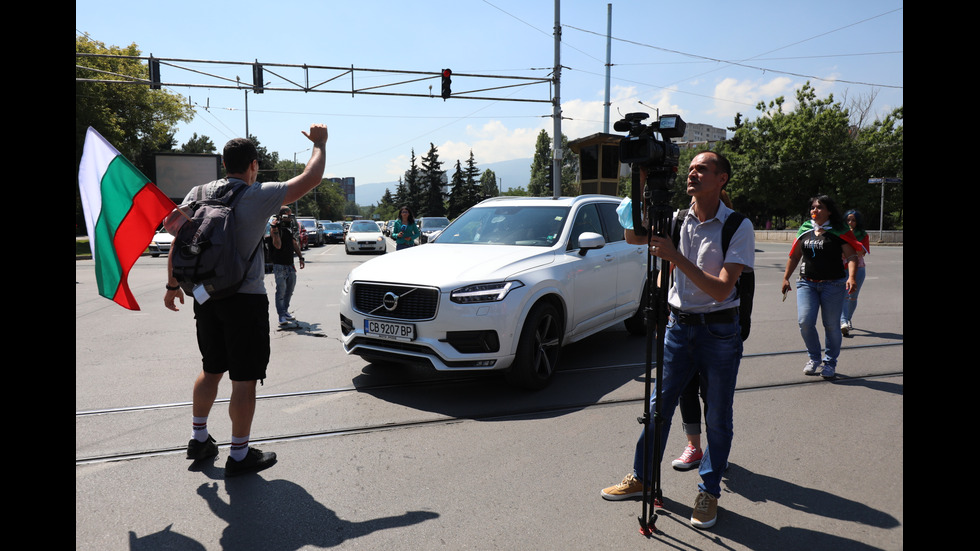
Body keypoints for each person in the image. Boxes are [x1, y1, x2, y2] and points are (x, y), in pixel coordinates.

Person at [164, 124, 329, 477]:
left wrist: (172, 284)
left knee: (211, 370)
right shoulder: (258, 195)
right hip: (244, 301)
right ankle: (239, 456)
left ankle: (199, 438)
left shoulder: (199, 192)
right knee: (243, 380)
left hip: (205, 298)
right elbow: (311, 177)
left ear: (224, 164)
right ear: (253, 165)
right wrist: (319, 144)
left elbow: (178, 236)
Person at [601, 151, 754, 530]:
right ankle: (642, 477)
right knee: (658, 406)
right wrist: (638, 179)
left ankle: (709, 490)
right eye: (690, 169)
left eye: (702, 169)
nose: (692, 174)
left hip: (719, 330)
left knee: (717, 416)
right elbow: (633, 234)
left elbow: (721, 289)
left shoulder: (738, 225)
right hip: (677, 327)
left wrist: (674, 256)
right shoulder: (676, 218)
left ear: (722, 179)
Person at [781, 195, 859, 379]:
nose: (814, 211)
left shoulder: (839, 231)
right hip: (806, 283)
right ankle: (814, 358)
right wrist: (786, 278)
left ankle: (830, 362)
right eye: (812, 208)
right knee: (805, 322)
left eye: (819, 207)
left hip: (833, 284)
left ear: (829, 211)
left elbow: (851, 257)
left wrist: (852, 277)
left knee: (831, 325)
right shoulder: (805, 229)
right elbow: (794, 256)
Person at [268, 206, 305, 326]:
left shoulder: (289, 228)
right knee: (281, 291)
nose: (291, 217)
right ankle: (281, 315)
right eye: (288, 215)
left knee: (290, 289)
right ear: (282, 216)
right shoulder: (275, 228)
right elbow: (277, 245)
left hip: (290, 264)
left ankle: (285, 311)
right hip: (279, 265)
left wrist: (300, 257)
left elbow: (294, 243)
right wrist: (275, 228)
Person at [840, 209, 870, 336]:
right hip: (842, 268)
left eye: (853, 220)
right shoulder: (840, 233)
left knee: (853, 296)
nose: (850, 222)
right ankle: (843, 321)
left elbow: (862, 252)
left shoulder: (862, 235)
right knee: (844, 295)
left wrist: (850, 246)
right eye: (848, 220)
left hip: (859, 268)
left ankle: (848, 318)